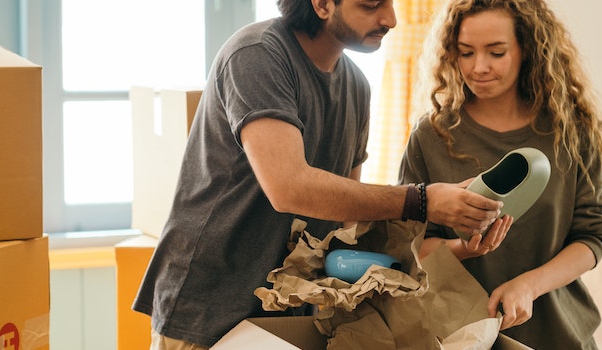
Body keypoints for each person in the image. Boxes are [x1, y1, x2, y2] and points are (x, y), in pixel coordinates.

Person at [133, 0, 512, 348]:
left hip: (294, 312)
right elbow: (288, 187)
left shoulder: (356, 88)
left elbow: (345, 218)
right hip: (209, 308)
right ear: (321, 3)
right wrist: (423, 201)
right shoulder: (258, 55)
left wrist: (448, 245)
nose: (390, 20)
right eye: (370, 5)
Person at [399, 0, 602, 348]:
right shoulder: (430, 138)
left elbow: (593, 234)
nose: (479, 67)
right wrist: (463, 249)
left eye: (496, 52)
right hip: (458, 336)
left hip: (558, 336)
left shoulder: (569, 130)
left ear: (526, 50)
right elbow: (408, 247)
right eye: (466, 52)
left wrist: (529, 285)